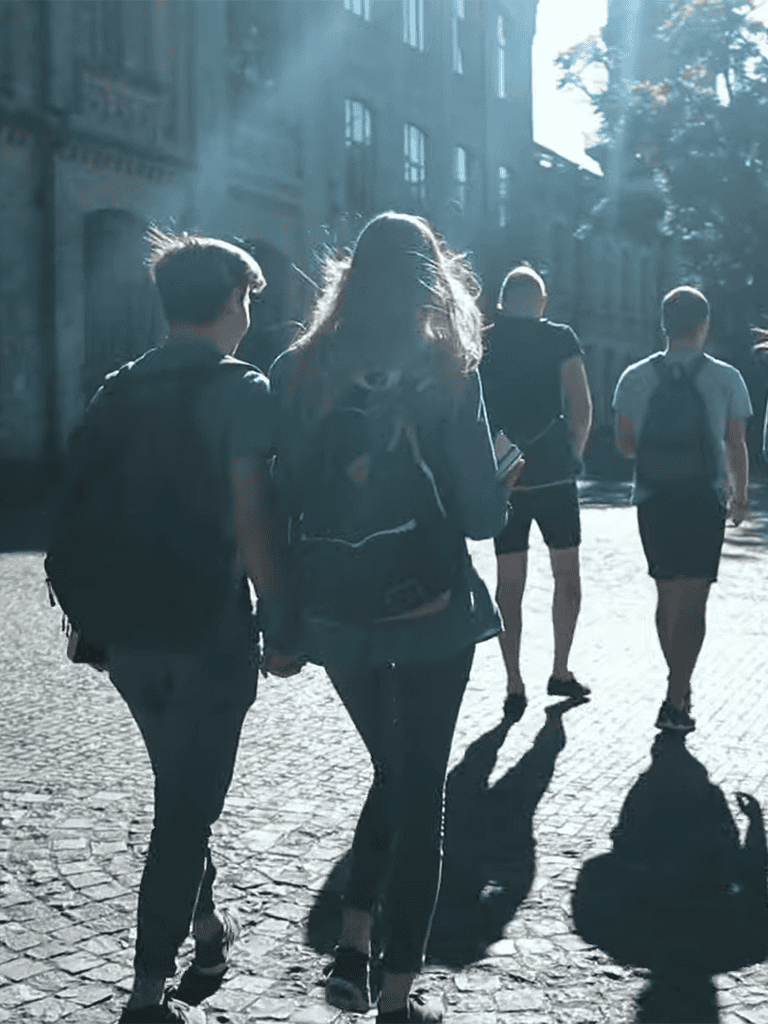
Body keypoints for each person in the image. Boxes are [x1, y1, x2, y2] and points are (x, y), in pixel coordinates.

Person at [268, 213, 517, 1023]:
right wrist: (504, 480)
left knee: (396, 771)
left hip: (338, 615)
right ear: (429, 278)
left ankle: (352, 948)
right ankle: (398, 995)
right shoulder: (448, 367)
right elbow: (480, 514)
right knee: (421, 793)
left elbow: (281, 500)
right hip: (432, 613)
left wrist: (281, 619)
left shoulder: (299, 368)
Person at [88, 229, 283, 1023]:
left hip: (127, 634)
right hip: (206, 630)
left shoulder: (115, 388)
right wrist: (284, 620)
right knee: (185, 811)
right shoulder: (245, 388)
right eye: (248, 302)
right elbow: (252, 522)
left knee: (181, 787)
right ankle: (144, 994)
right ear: (233, 302)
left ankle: (206, 927)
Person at [613, 285, 752, 733]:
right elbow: (735, 443)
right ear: (704, 325)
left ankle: (676, 685)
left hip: (654, 499)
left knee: (666, 595)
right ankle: (678, 694)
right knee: (694, 602)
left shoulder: (633, 376)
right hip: (703, 499)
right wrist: (741, 493)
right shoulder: (727, 378)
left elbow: (623, 446)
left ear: (663, 326)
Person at [480, 265, 593, 723]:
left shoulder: (483, 340)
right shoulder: (561, 338)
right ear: (542, 302)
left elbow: (471, 409)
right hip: (554, 477)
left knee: (510, 581)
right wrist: (574, 456)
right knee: (566, 573)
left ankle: (513, 681)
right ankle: (560, 669)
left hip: (505, 476)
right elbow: (580, 407)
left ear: (503, 300)